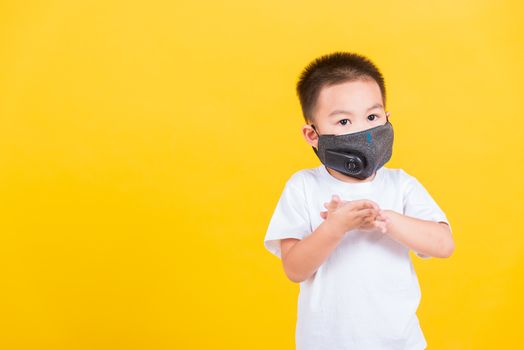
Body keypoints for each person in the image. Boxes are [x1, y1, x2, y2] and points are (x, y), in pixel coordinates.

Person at [263, 51, 455, 350]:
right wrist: (335, 227)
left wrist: (384, 219)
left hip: (399, 342)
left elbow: (443, 244)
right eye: (343, 121)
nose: (362, 131)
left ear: (387, 118)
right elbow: (295, 269)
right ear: (312, 135)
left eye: (372, 117)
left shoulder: (401, 184)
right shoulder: (303, 186)